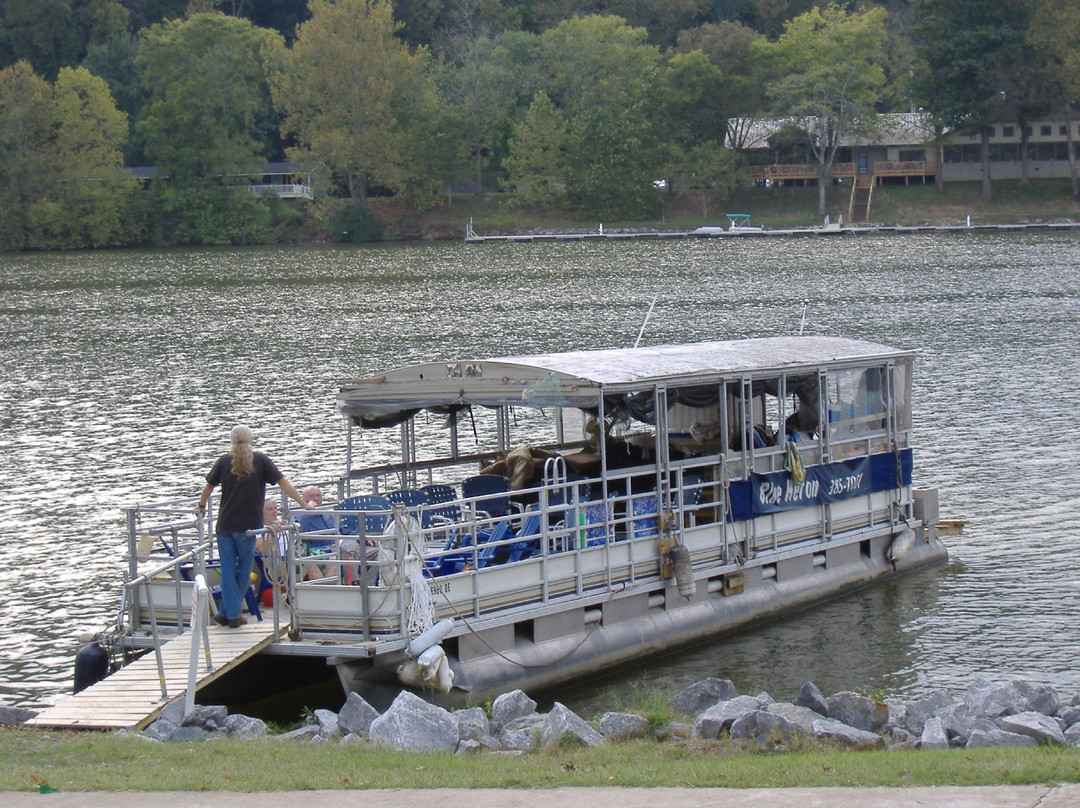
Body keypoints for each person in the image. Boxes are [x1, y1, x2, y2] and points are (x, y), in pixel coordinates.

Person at [198, 425, 311, 628]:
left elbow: (208, 488)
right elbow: (284, 483)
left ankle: (225, 613)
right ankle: (232, 616)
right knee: (243, 570)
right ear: (251, 439)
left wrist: (201, 506)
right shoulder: (260, 460)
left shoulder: (224, 461)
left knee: (227, 569)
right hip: (248, 527)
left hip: (224, 525)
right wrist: (302, 503)